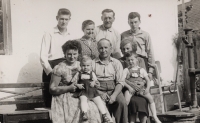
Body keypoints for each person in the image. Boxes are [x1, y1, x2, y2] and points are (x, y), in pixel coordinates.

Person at [49, 40, 111, 123]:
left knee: (94, 106)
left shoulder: (82, 65)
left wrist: (97, 87)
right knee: (79, 108)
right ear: (65, 54)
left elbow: (90, 81)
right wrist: (69, 88)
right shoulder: (59, 68)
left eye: (74, 54)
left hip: (84, 93)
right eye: (69, 54)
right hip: (65, 95)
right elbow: (52, 89)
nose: (72, 57)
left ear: (78, 54)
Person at [40, 8, 72, 107]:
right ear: (57, 18)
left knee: (67, 101)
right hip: (52, 67)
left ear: (69, 19)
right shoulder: (49, 33)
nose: (64, 22)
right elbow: (42, 56)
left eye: (66, 19)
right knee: (51, 102)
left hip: (67, 68)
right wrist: (51, 72)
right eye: (61, 19)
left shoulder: (71, 34)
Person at [92, 38, 128, 123]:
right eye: (101, 48)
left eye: (106, 47)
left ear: (110, 48)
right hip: (98, 90)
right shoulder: (92, 63)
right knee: (97, 106)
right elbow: (89, 83)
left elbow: (120, 82)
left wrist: (114, 95)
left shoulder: (116, 63)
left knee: (121, 103)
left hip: (114, 89)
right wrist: (100, 93)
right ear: (97, 49)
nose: (103, 50)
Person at [123, 52, 161, 123]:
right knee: (126, 101)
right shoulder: (126, 70)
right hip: (131, 89)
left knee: (150, 99)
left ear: (136, 60)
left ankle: (155, 116)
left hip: (141, 89)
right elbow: (123, 81)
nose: (130, 62)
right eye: (128, 60)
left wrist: (147, 89)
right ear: (126, 61)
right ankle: (125, 119)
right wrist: (129, 87)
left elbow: (147, 80)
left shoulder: (142, 70)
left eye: (132, 60)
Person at [72, 55, 112, 122]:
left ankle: (104, 115)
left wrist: (94, 82)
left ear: (91, 66)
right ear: (80, 65)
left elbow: (96, 81)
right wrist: (77, 85)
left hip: (92, 91)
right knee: (83, 100)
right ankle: (84, 113)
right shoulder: (78, 74)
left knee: (99, 101)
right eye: (83, 65)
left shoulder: (92, 73)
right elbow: (73, 82)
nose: (85, 67)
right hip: (83, 91)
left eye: (88, 65)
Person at [120, 38, 149, 123]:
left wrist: (142, 83)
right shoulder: (119, 61)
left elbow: (144, 76)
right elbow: (121, 78)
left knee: (143, 100)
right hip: (126, 88)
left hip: (140, 87)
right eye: (123, 49)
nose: (125, 50)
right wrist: (132, 85)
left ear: (133, 48)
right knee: (128, 101)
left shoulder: (140, 59)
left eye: (127, 48)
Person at [121, 12, 155, 81]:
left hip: (141, 61)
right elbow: (122, 49)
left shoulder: (145, 35)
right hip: (129, 62)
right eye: (131, 22)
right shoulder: (124, 35)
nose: (133, 25)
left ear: (140, 21)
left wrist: (150, 71)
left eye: (136, 22)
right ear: (128, 22)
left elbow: (150, 52)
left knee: (142, 83)